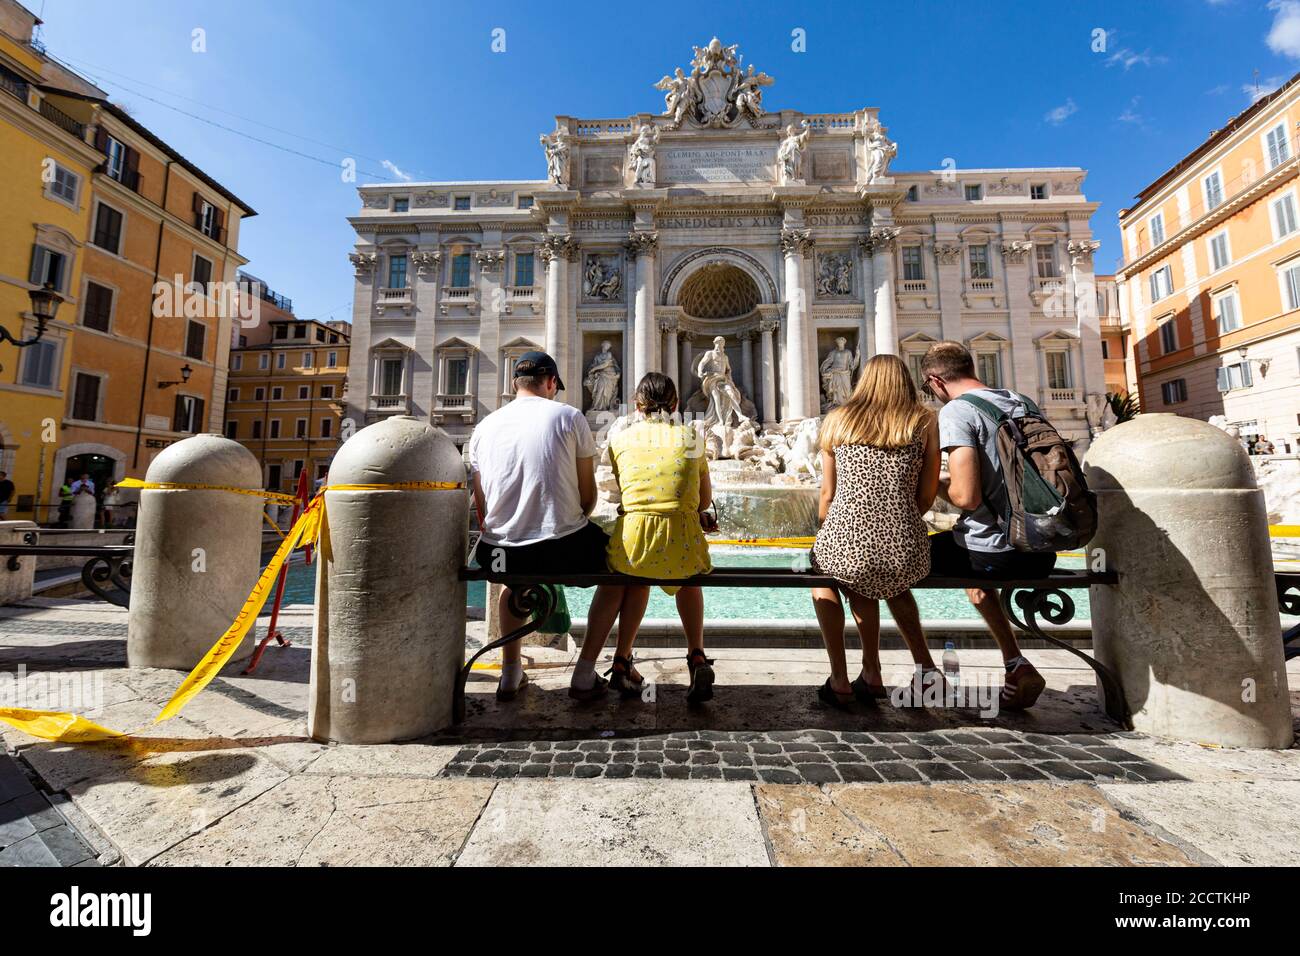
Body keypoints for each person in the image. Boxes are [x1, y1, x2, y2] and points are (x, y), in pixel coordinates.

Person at [468, 350, 628, 701]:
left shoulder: (483, 428)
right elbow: (588, 498)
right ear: (551, 383)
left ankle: (511, 674)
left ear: (515, 384)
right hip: (559, 548)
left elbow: (481, 506)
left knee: (514, 583)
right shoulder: (569, 417)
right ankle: (585, 673)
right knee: (621, 572)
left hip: (498, 554)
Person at [919, 341, 1052, 710]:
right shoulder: (1021, 402)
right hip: (1041, 549)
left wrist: (929, 481)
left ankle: (926, 673)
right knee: (975, 576)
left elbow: (966, 498)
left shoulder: (957, 412)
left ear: (935, 381)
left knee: (893, 563)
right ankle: (1015, 663)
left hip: (997, 553)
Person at [809, 354, 942, 709]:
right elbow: (927, 494)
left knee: (825, 575)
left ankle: (840, 677)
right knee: (872, 566)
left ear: (862, 380)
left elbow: (827, 494)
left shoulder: (837, 420)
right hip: (906, 546)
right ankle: (872, 670)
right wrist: (897, 520)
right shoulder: (924, 421)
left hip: (847, 542)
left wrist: (826, 530)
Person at [604, 372, 717, 703]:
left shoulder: (620, 440)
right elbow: (704, 500)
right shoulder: (692, 439)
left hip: (633, 547)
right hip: (683, 543)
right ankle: (696, 656)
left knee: (638, 577)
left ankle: (622, 660)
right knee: (690, 579)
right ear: (677, 404)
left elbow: (626, 492)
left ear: (638, 406)